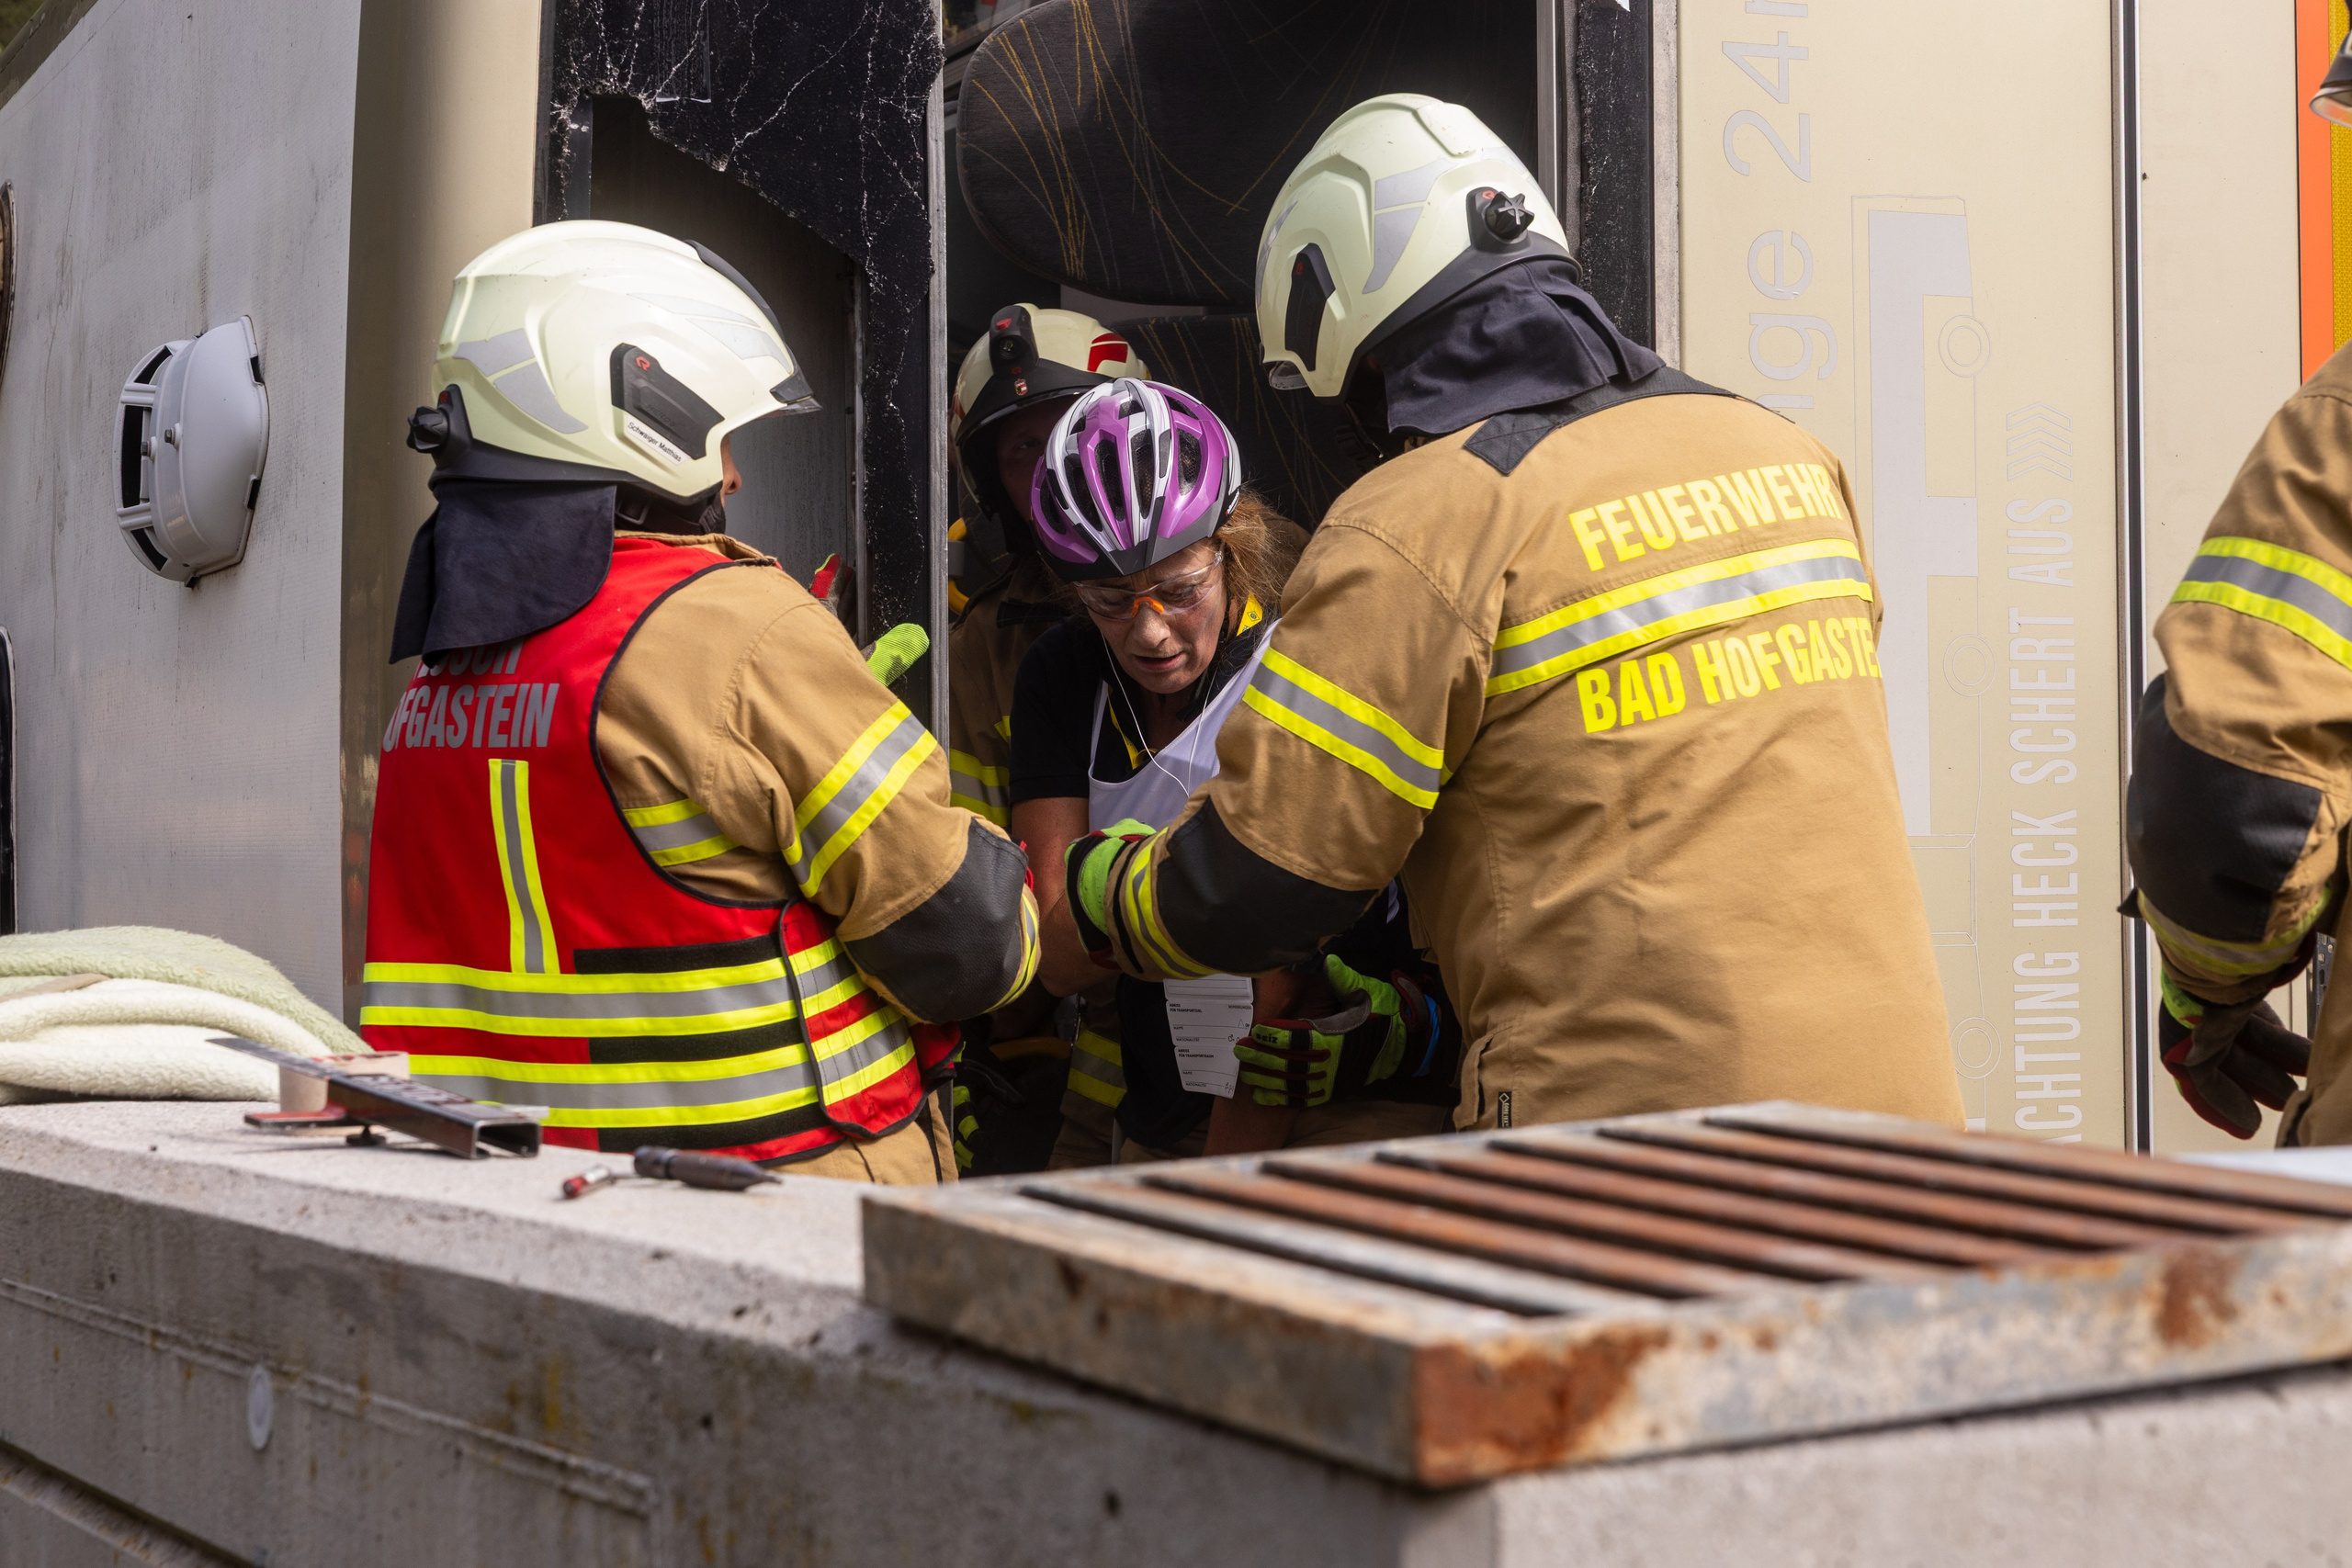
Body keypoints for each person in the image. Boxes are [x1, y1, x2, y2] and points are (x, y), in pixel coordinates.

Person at [1061, 94, 1964, 1133]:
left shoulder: (1424, 518)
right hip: (1899, 1127)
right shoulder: (1783, 453)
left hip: (1632, 1150)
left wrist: (1104, 893)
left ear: (1349, 316)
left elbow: (1265, 882)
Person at [360, 221, 1039, 1182]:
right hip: (774, 1208)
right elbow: (970, 943)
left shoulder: (434, 687)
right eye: (720, 436)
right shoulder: (739, 628)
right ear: (643, 408)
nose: (732, 474)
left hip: (517, 1213)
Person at [1014, 377, 1458, 1163]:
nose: (1149, 632)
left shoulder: (1299, 656)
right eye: (1111, 601)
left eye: (1180, 589)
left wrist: (1113, 897)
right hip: (1161, 1086)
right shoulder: (1060, 673)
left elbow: (1278, 972)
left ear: (1235, 543)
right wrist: (1193, 894)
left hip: (1334, 1079)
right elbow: (1055, 956)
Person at [944, 306, 1149, 831]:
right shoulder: (980, 653)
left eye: (1074, 429)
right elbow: (984, 868)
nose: (1054, 466)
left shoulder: (1272, 564)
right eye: (1025, 447)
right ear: (993, 487)